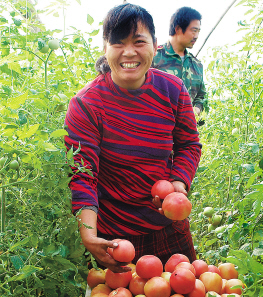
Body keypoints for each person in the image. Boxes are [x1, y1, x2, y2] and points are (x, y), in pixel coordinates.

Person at [64, 3, 201, 273]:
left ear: (154, 45)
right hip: (115, 237)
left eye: (139, 41)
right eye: (118, 43)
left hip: (169, 228)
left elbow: (188, 145)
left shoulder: (173, 90)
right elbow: (83, 175)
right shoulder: (86, 104)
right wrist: (89, 235)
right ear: (105, 48)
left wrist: (177, 183)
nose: (129, 52)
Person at [153, 6, 206, 119]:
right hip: (157, 128)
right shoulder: (154, 56)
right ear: (177, 29)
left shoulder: (196, 64)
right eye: (193, 31)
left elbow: (201, 96)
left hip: (185, 132)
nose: (196, 36)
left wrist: (197, 108)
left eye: (198, 31)